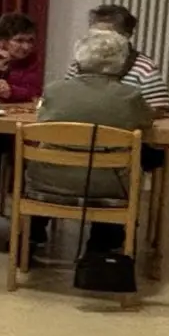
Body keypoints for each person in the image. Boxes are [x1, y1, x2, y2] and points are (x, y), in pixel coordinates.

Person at [26, 29, 152, 254]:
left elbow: (42, 123)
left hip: (50, 178)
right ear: (121, 62)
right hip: (109, 184)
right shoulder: (131, 95)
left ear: (79, 59)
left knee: (52, 161)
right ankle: (103, 245)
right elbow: (146, 122)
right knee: (121, 166)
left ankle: (31, 237)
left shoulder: (55, 90)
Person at [67, 4, 169, 118]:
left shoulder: (144, 69)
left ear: (126, 36)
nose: (99, 41)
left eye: (107, 36)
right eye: (94, 35)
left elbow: (163, 113)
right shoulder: (76, 65)